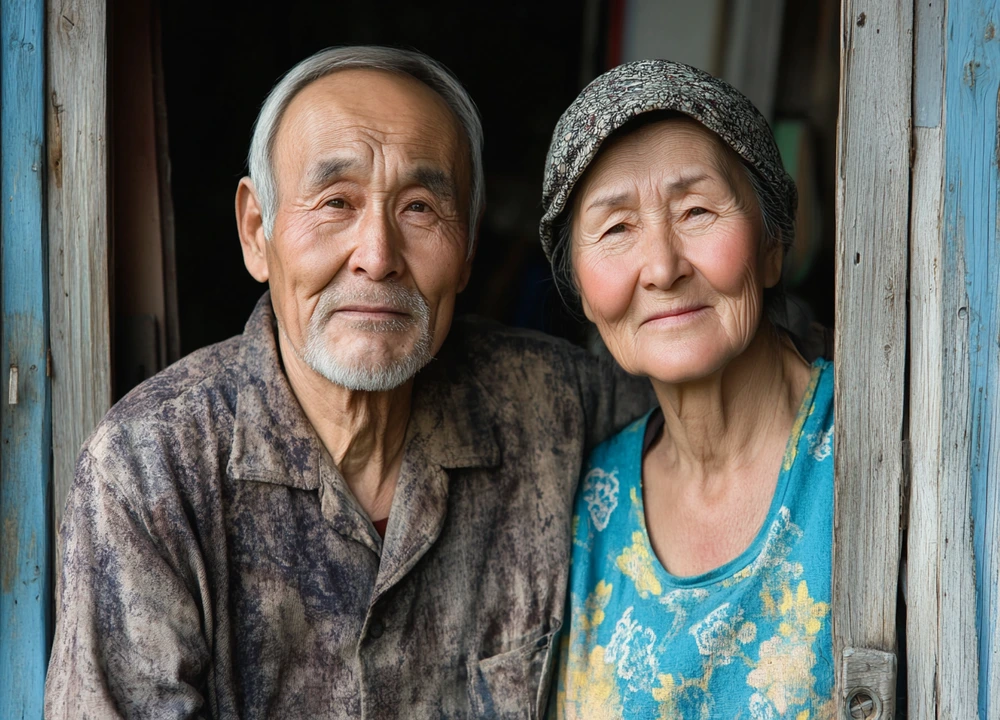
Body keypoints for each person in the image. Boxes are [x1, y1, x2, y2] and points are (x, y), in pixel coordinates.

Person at [44, 46, 652, 719]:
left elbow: (723, 434)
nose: (378, 257)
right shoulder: (150, 468)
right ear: (256, 231)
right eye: (336, 202)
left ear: (468, 250)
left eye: (420, 208)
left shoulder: (560, 404)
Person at [539, 60, 835, 719]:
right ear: (583, 290)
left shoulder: (874, 447)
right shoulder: (589, 504)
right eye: (616, 228)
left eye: (697, 211)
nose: (663, 267)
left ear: (772, 245)